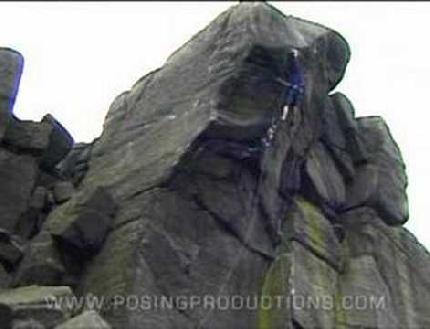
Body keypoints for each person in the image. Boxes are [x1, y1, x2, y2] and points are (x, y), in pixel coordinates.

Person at [278, 49, 305, 120]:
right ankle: (293, 117)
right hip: (299, 89)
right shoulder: (299, 74)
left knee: (287, 103)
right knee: (295, 105)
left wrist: (281, 81)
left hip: (293, 89)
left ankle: (284, 117)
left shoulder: (294, 73)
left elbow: (289, 84)